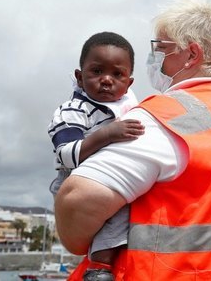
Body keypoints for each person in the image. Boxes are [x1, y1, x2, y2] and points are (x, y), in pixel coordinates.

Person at [55, 0, 211, 280]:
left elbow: (78, 202)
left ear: (191, 55)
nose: (154, 57)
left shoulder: (166, 114)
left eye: (161, 47)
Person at [48, 32, 144, 280]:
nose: (106, 80)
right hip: (77, 179)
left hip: (112, 175)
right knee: (118, 212)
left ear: (129, 83)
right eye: (97, 71)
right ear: (80, 77)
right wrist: (107, 134)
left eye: (117, 74)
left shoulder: (128, 107)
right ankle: (99, 268)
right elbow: (67, 154)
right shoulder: (72, 110)